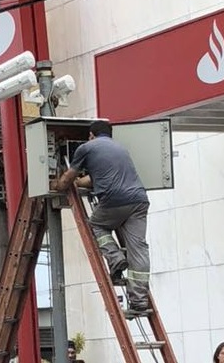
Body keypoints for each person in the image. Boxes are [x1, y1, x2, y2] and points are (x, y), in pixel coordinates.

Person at [51, 120, 151, 312]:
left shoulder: (86, 148)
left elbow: (67, 180)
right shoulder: (120, 148)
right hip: (139, 200)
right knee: (138, 248)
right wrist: (82, 182)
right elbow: (98, 178)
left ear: (91, 135)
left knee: (97, 225)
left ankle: (115, 257)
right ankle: (139, 302)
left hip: (114, 201)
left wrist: (58, 184)